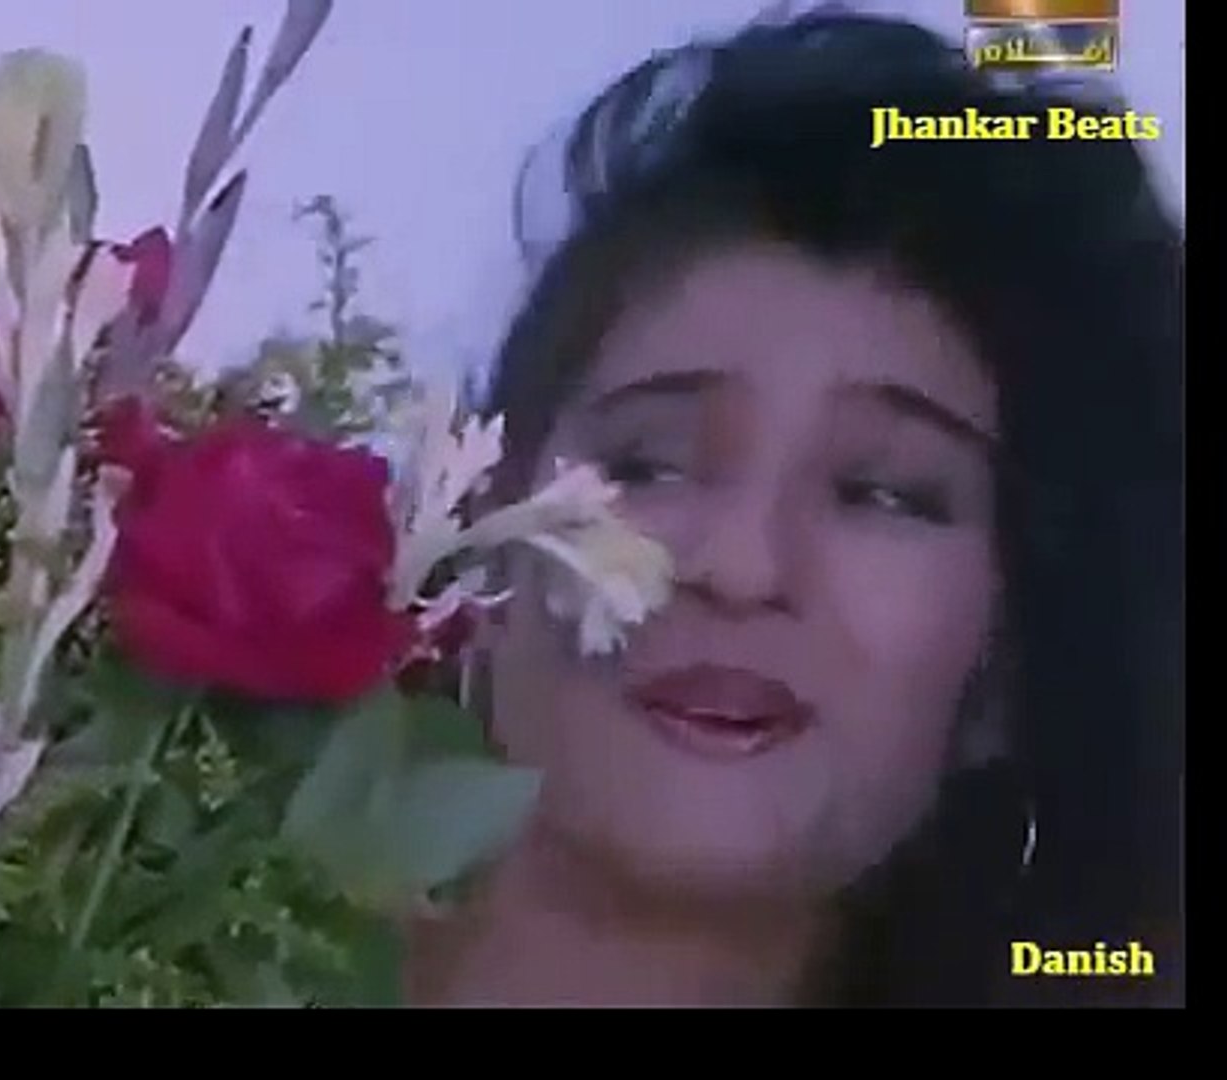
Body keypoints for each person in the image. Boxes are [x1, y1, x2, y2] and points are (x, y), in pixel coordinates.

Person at [409, 8, 1183, 1007]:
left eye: (885, 495)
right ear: (486, 527)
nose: (738, 567)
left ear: (1009, 668)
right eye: (649, 465)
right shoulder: (205, 903)